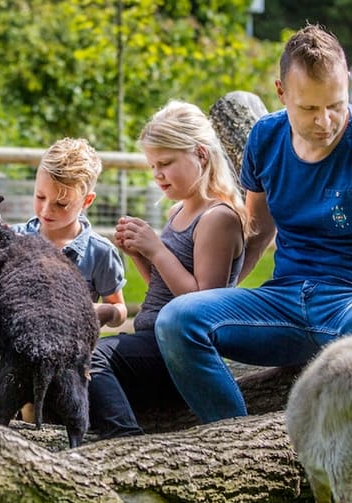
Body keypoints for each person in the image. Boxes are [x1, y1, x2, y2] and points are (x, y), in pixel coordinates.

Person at [154, 24, 352, 426]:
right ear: (281, 93)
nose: (325, 121)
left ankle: (338, 454)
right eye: (309, 108)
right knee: (178, 320)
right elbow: (258, 229)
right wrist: (220, 298)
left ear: (347, 84)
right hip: (288, 301)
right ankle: (236, 442)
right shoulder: (265, 137)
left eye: (335, 104)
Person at [88, 99, 247, 438]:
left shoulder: (217, 218)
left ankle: (124, 443)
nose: (157, 174)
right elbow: (164, 288)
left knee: (91, 360)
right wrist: (139, 254)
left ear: (200, 155)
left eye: (165, 163)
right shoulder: (179, 211)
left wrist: (156, 249)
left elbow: (202, 305)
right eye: (152, 165)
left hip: (180, 351)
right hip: (150, 336)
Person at [0, 137, 128, 421]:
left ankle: (41, 448)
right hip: (18, 346)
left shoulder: (100, 252)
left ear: (87, 201)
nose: (47, 211)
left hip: (69, 354)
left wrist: (101, 312)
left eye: (61, 204)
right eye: (40, 197)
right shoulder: (16, 240)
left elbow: (119, 309)